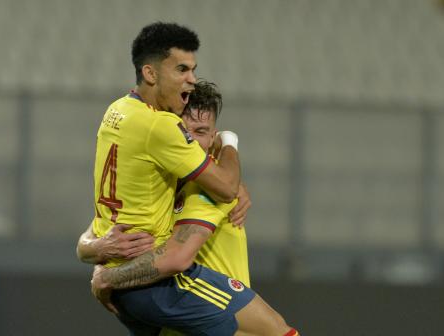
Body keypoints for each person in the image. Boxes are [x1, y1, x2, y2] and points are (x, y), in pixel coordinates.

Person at [84, 77, 299, 335]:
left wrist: (106, 278)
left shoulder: (210, 188)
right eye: (186, 133)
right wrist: (95, 247)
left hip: (219, 321)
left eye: (202, 133)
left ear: (212, 138)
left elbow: (176, 257)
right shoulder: (157, 186)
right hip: (178, 320)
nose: (193, 143)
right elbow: (93, 235)